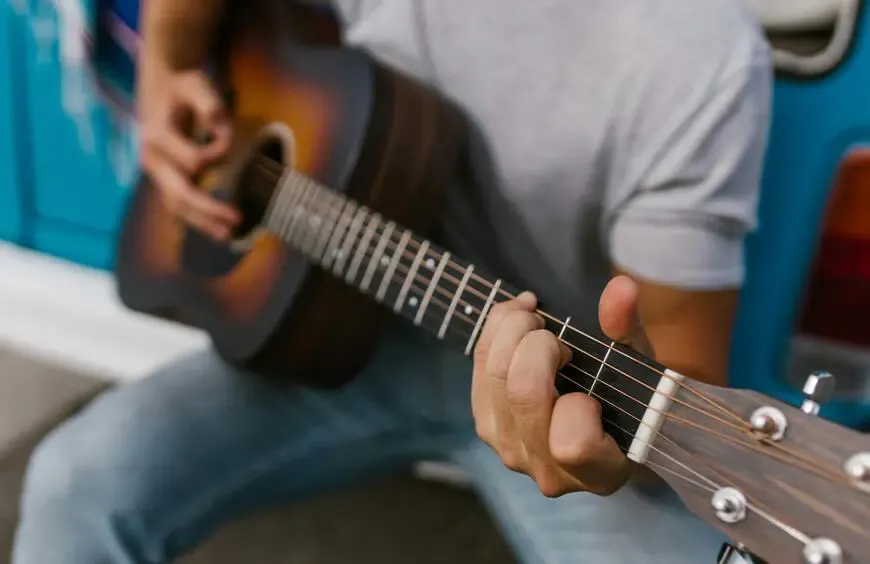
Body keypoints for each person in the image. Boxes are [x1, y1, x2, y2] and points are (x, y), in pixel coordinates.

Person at [13, 0, 772, 562]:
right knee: (71, 486)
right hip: (342, 335)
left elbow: (679, 390)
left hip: (553, 394)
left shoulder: (699, 57)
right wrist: (169, 62)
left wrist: (619, 454)